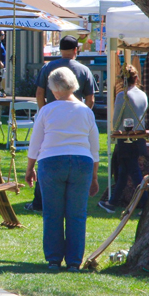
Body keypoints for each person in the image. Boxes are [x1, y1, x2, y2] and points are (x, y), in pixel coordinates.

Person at [25, 67, 99, 272]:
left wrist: (30, 168)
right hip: (81, 162)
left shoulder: (47, 110)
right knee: (77, 214)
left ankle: (54, 259)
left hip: (51, 161)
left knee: (53, 213)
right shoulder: (86, 111)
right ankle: (74, 261)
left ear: (54, 89)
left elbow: (35, 142)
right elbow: (94, 147)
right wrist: (94, 176)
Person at [26, 35, 97, 212]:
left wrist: (44, 111)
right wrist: (82, 112)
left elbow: (39, 92)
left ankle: (39, 201)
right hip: (77, 117)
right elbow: (91, 98)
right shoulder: (84, 70)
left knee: (45, 153)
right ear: (76, 50)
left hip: (51, 119)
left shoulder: (48, 67)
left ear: (59, 49)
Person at [98, 65, 148, 213]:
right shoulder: (143, 94)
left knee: (133, 172)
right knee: (124, 171)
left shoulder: (123, 95)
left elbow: (116, 119)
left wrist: (114, 130)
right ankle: (112, 202)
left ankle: (145, 204)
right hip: (139, 136)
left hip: (126, 137)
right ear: (136, 78)